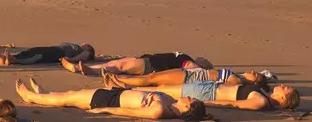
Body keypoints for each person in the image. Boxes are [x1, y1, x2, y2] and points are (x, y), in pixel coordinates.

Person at [15, 78, 209, 121]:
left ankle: (30, 97)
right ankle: (44, 94)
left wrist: (103, 110)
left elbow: (128, 111)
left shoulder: (158, 111)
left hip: (108, 101)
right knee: (73, 92)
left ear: (186, 109)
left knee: (69, 98)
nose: (190, 97)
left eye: (191, 100)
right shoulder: (171, 101)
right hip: (115, 93)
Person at [118, 82, 300, 111]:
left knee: (160, 91)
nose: (283, 85)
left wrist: (205, 102)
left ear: (284, 99)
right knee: (162, 87)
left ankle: (122, 90)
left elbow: (231, 104)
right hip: (209, 87)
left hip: (206, 93)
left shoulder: (260, 101)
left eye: (286, 89)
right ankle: (124, 87)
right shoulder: (264, 94)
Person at [104, 67, 276, 89]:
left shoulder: (236, 81)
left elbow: (215, 85)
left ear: (254, 81)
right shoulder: (238, 76)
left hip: (190, 78)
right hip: (190, 74)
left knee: (152, 79)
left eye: (256, 74)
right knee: (153, 76)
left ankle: (119, 82)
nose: (254, 71)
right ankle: (119, 81)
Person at [62, 52, 210, 76]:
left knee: (119, 67)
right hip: (148, 59)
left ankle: (90, 71)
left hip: (152, 66)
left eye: (206, 61)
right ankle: (81, 68)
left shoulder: (189, 61)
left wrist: (204, 69)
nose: (203, 58)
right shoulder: (186, 57)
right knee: (116, 62)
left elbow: (193, 69)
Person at [0, 42, 95, 65]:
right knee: (32, 51)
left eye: (88, 45)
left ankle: (12, 60)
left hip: (57, 53)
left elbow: (84, 56)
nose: (85, 43)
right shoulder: (79, 49)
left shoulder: (84, 52)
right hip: (54, 49)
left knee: (37, 56)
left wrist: (68, 60)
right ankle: (6, 59)